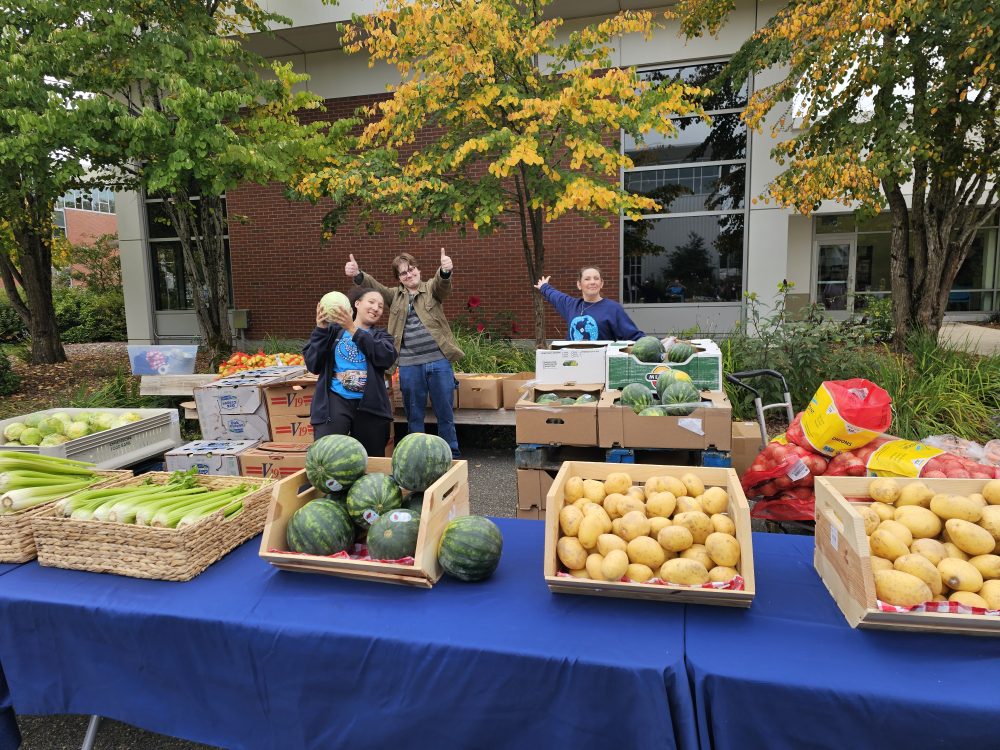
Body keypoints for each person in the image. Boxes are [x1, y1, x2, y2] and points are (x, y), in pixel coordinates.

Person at [345, 248, 464, 458]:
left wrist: (445, 271)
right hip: (409, 365)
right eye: (403, 273)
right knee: (414, 415)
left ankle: (450, 455)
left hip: (439, 361)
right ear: (399, 279)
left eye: (411, 269)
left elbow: (442, 285)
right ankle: (415, 457)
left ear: (418, 269)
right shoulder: (394, 296)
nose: (409, 275)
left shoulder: (431, 289)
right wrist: (358, 274)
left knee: (445, 413)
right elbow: (374, 287)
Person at [303, 286, 397, 458]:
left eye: (381, 306)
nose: (376, 308)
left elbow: (386, 357)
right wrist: (321, 329)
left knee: (371, 460)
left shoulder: (382, 337)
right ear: (357, 304)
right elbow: (313, 364)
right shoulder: (332, 333)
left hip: (370, 406)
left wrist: (352, 329)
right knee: (327, 456)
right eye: (371, 302)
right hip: (335, 400)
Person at [535, 266, 644, 341]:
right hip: (573, 366)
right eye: (587, 279)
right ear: (579, 284)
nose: (592, 282)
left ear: (601, 284)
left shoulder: (613, 308)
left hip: (602, 367)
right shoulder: (571, 305)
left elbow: (633, 336)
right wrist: (544, 287)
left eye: (596, 279)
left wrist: (657, 344)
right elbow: (555, 296)